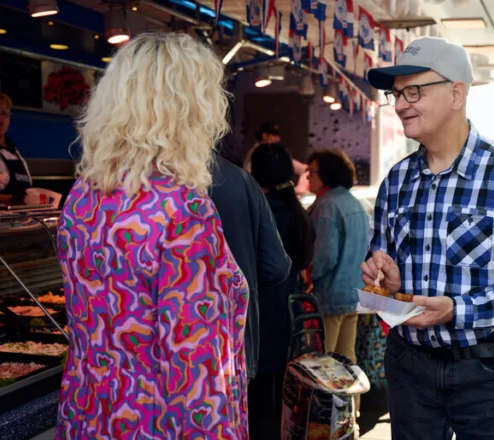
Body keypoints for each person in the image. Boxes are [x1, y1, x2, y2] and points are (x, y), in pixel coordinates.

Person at [362, 36, 494, 439]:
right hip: (409, 366)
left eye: (414, 91)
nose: (400, 104)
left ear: (457, 93)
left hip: (487, 370)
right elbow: (381, 277)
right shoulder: (397, 181)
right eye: (396, 93)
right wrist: (385, 283)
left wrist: (457, 309)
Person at [55, 33, 250, 438]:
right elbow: (197, 377)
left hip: (88, 415)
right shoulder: (184, 212)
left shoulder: (80, 199)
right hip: (156, 423)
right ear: (190, 110)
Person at [248, 143, 315, 439]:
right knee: (282, 388)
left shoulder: (264, 212)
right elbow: (302, 261)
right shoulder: (296, 209)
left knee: (261, 393)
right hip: (290, 308)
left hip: (265, 307)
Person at [209, 154, 291, 383]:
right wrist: (244, 283)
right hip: (236, 337)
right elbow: (276, 266)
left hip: (158, 352)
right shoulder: (239, 180)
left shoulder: (140, 178)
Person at [307, 149, 369, 366]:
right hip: (355, 295)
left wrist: (308, 278)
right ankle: (351, 402)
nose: (307, 176)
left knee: (324, 365)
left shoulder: (327, 206)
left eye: (312, 171)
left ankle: (327, 403)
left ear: (326, 174)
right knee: (347, 362)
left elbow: (325, 256)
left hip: (330, 296)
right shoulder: (355, 203)